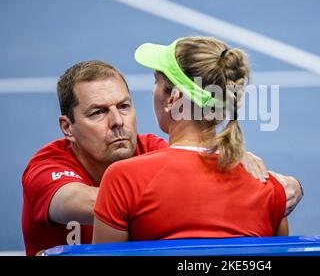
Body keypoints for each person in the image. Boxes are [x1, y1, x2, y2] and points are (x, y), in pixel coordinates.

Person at [22, 60, 302, 256]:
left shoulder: (150, 151)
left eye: (124, 106)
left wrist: (290, 185)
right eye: (98, 112)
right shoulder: (46, 167)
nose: (118, 121)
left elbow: (190, 169)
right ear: (67, 127)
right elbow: (93, 201)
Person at [92, 36, 289, 243]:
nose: (153, 90)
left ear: (173, 99)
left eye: (156, 82)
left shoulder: (123, 179)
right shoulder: (269, 189)